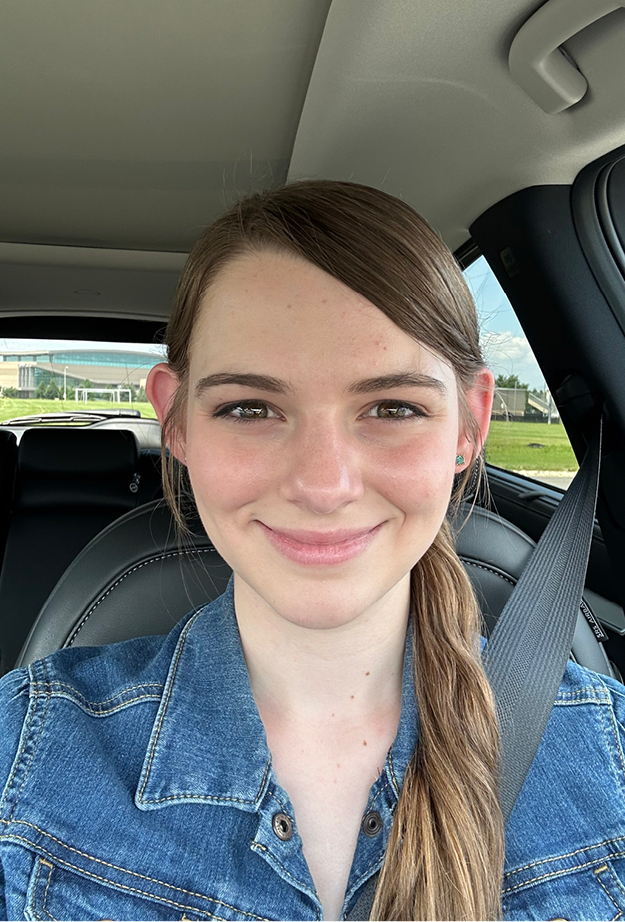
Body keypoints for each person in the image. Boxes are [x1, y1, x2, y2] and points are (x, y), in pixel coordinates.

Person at [0, 180, 624, 922]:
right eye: (249, 408)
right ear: (176, 423)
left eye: (392, 408)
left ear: (468, 425)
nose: (323, 485)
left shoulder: (609, 749)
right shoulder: (22, 755)